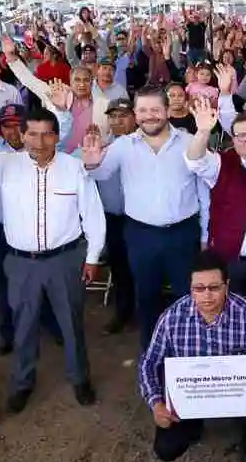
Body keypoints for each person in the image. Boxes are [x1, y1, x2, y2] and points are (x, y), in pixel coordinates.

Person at [0, 109, 106, 412]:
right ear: (22, 135)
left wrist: (92, 257)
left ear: (57, 136)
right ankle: (23, 382)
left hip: (65, 259)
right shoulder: (5, 164)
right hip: (22, 263)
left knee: (71, 323)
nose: (39, 141)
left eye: (47, 134)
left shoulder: (74, 167)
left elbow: (93, 215)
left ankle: (80, 378)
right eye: (32, 134)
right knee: (24, 324)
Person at [138, 250, 246, 462]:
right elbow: (148, 363)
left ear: (227, 285)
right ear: (190, 288)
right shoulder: (172, 317)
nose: (207, 296)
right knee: (166, 449)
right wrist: (156, 404)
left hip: (235, 392)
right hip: (192, 395)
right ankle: (193, 425)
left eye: (214, 287)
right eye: (199, 288)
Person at [81, 85, 202, 350]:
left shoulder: (188, 141)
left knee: (187, 297)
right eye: (144, 110)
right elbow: (100, 174)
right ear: (136, 114)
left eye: (156, 110)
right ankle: (152, 354)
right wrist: (91, 163)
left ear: (167, 111)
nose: (150, 116)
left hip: (183, 234)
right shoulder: (123, 146)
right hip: (140, 235)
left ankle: (185, 359)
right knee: (146, 297)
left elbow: (205, 185)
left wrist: (206, 233)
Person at [185, 98, 246, 335]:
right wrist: (202, 132)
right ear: (233, 139)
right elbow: (194, 160)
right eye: (242, 136)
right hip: (231, 264)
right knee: (228, 324)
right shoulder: (222, 163)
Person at [99, 97, 138, 335]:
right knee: (120, 267)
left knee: (143, 268)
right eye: (112, 116)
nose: (117, 121)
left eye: (122, 116)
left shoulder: (144, 144)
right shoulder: (102, 148)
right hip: (113, 218)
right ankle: (123, 312)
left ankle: (148, 313)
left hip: (141, 220)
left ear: (133, 117)